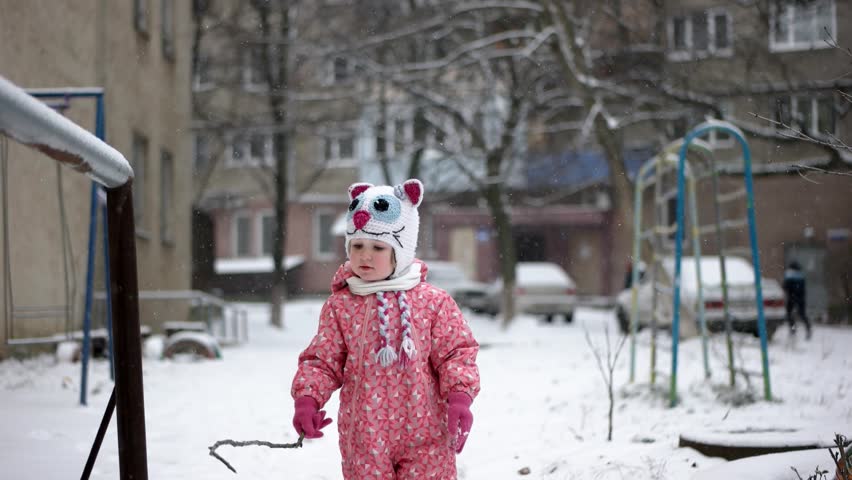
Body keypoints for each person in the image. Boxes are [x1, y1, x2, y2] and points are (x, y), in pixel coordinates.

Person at [290, 179, 481, 480]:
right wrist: (307, 399)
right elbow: (322, 360)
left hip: (427, 434)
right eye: (357, 246)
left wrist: (460, 397)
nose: (365, 255)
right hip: (365, 437)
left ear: (401, 250)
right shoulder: (342, 305)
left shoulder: (433, 302)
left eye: (378, 247)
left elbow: (456, 353)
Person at [782, 260, 812, 339]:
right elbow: (803, 289)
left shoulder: (789, 275)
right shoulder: (801, 276)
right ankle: (808, 329)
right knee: (802, 314)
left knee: (789, 314)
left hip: (791, 297)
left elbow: (785, 287)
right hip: (800, 298)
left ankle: (792, 330)